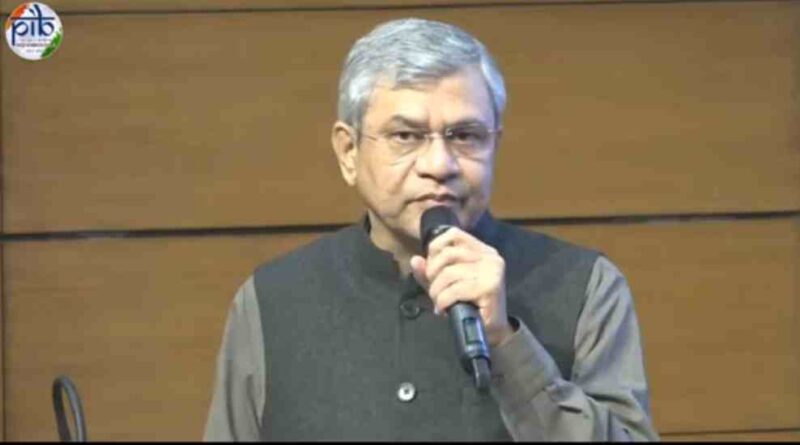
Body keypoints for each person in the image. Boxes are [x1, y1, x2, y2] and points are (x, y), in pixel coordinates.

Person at [203, 17, 659, 441]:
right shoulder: (271, 300)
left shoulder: (585, 286)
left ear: (495, 144)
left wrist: (506, 341)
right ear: (348, 151)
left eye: (465, 136)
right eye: (406, 136)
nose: (440, 165)